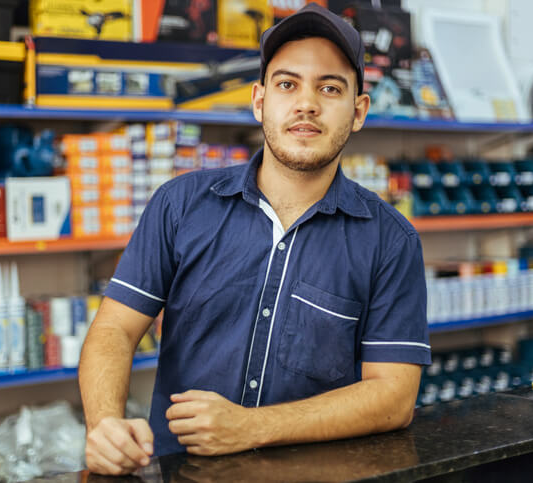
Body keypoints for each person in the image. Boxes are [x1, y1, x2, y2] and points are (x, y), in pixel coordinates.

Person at [79, 3, 431, 475]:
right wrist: (104, 422)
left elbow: (393, 398)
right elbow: (114, 330)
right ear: (260, 100)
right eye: (288, 84)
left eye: (330, 88)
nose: (306, 103)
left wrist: (251, 426)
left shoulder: (390, 240)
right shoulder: (181, 205)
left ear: (359, 110)